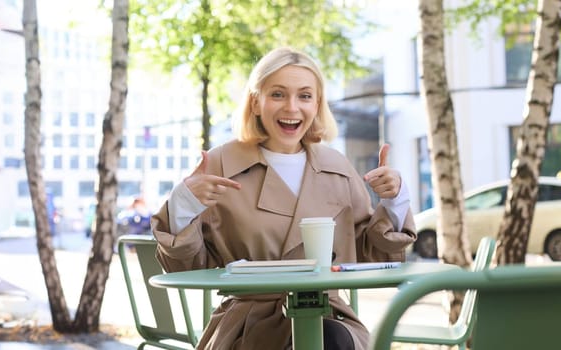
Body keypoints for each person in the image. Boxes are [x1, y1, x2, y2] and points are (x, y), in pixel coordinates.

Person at [150, 47, 416, 350]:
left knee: (330, 339)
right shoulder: (220, 164)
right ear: (256, 102)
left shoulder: (337, 167)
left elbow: (374, 258)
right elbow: (187, 269)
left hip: (330, 320)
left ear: (317, 104)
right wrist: (183, 204)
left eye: (304, 96)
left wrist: (394, 200)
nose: (292, 107)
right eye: (277, 94)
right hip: (249, 328)